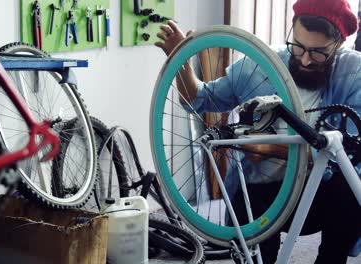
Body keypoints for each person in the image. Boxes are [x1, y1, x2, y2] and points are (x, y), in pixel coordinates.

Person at [155, 0, 361, 263]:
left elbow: (350, 151)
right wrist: (179, 59)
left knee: (349, 191)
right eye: (298, 46)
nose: (306, 59)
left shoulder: (354, 73)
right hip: (264, 195)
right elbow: (199, 100)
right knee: (255, 252)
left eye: (319, 52)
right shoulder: (259, 67)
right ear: (292, 31)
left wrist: (271, 149)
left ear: (339, 44)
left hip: (322, 193)